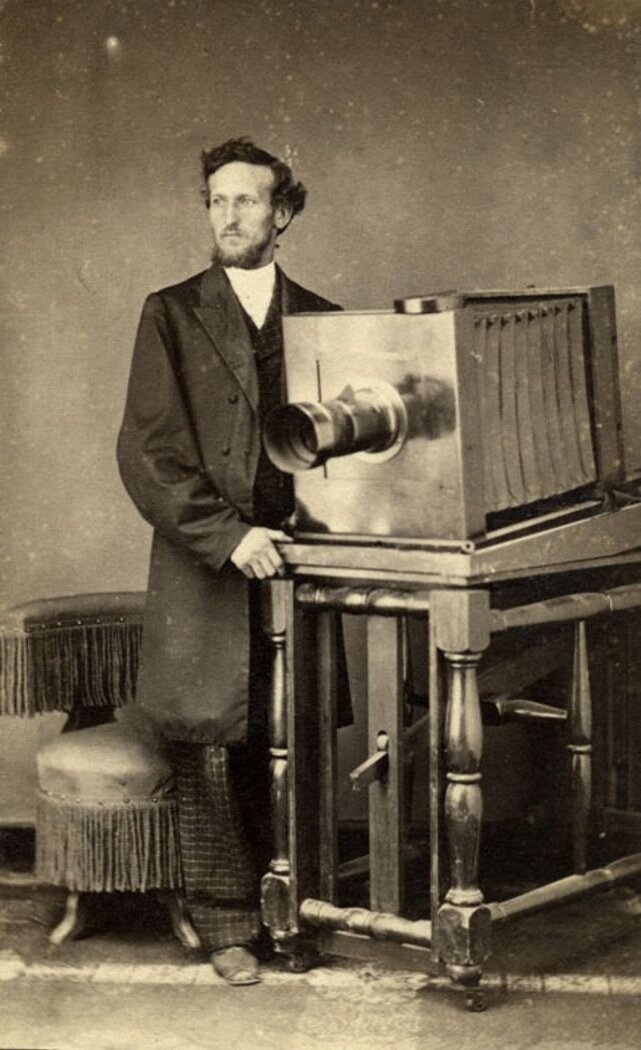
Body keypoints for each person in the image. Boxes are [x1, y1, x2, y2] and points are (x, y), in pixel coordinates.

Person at [117, 137, 341, 985]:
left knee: (293, 736)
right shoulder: (171, 313)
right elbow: (149, 455)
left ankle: (299, 914)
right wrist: (228, 536)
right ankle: (226, 925)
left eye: (247, 199)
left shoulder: (324, 320)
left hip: (298, 563)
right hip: (206, 563)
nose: (229, 215)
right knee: (210, 743)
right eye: (217, 200)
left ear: (283, 213)